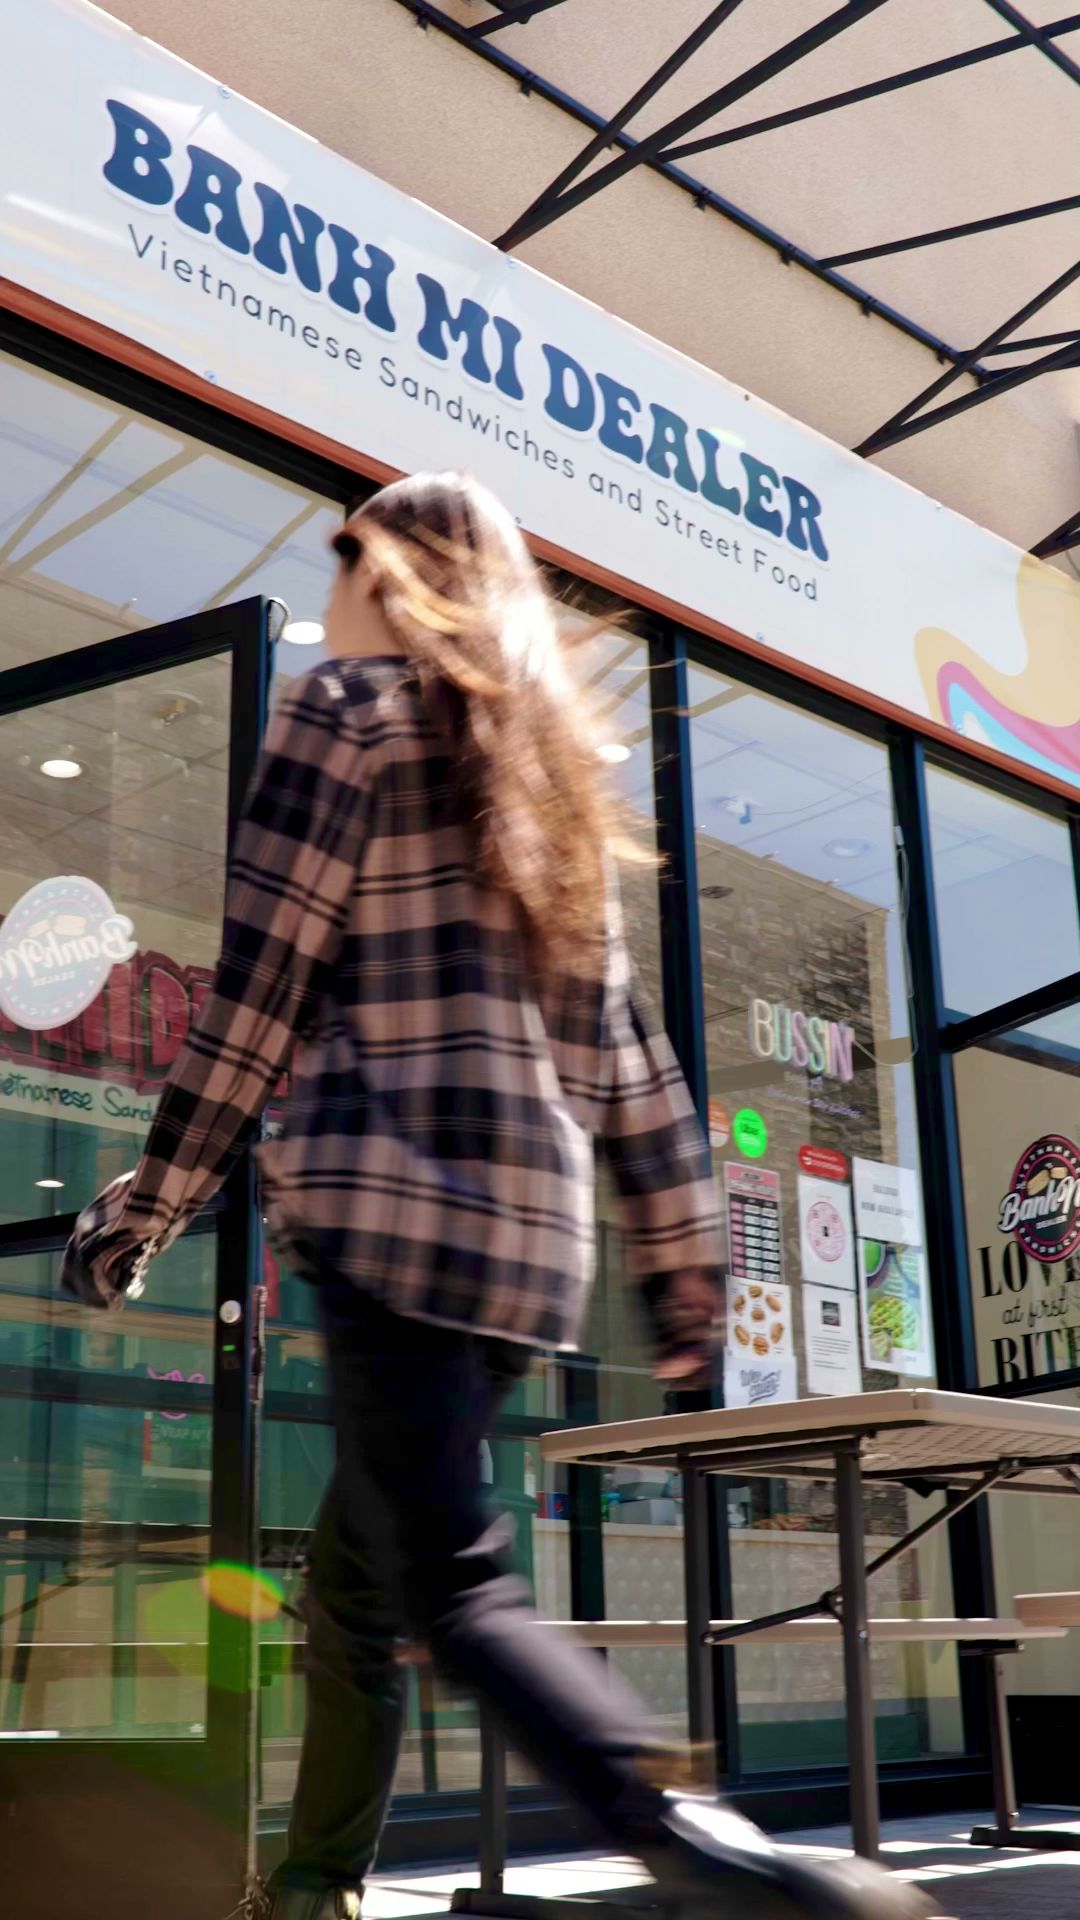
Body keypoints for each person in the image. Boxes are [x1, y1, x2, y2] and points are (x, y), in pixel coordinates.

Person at [62, 474, 936, 1920]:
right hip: (518, 1262)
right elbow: (632, 1059)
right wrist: (680, 1269)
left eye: (349, 553)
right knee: (367, 1565)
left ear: (395, 578)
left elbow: (259, 993)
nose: (334, 580)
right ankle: (320, 1882)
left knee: (455, 1590)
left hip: (384, 1220)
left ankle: (713, 1850)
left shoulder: (339, 711)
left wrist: (146, 1208)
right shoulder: (542, 788)